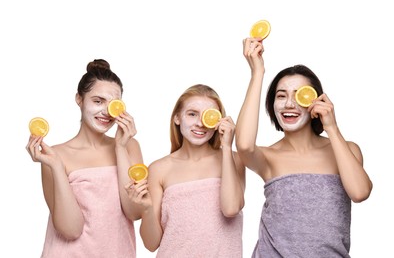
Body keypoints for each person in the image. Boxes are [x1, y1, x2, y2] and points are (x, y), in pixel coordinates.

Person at [235, 38, 373, 258]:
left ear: (315, 101)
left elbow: (360, 192)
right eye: (281, 96)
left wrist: (332, 127)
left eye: (299, 95)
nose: (289, 104)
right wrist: (257, 73)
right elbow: (242, 144)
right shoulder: (269, 157)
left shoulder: (347, 150)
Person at [25, 59, 143, 257]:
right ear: (79, 99)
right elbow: (70, 230)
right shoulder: (55, 155)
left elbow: (134, 212)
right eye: (97, 101)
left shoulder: (130, 146)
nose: (106, 111)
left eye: (113, 104)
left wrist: (120, 148)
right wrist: (56, 166)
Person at [126, 84, 245, 257]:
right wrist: (146, 208)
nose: (200, 123)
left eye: (208, 116)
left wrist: (226, 146)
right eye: (192, 114)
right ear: (177, 118)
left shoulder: (234, 160)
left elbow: (231, 208)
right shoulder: (159, 169)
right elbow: (151, 244)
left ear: (218, 121)